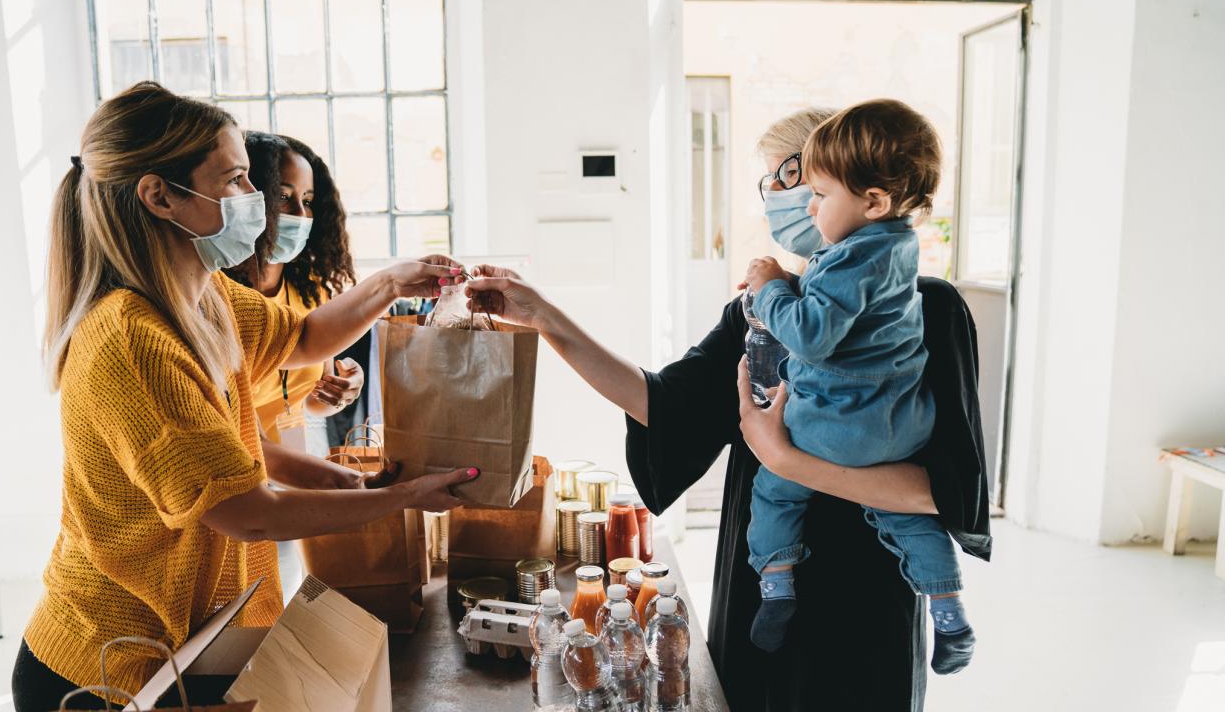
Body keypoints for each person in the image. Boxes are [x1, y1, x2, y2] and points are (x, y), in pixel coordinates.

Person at [465, 106, 990, 711]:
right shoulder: (760, 311)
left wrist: (783, 459)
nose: (778, 199)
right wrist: (541, 317)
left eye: (787, 179)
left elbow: (946, 491)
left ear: (855, 185)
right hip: (763, 590)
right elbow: (661, 404)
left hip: (866, 600)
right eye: (768, 183)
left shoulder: (930, 310)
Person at [12, 82, 478, 712]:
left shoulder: (202, 297)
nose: (254, 199)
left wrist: (393, 282)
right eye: (234, 180)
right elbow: (248, 513)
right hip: (106, 665)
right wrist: (401, 500)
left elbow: (305, 335)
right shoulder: (129, 336)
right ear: (160, 196)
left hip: (190, 639)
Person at [740, 99, 975, 673]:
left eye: (815, 193)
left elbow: (813, 335)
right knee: (910, 520)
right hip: (900, 429)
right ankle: (947, 609)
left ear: (873, 200)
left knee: (774, 487)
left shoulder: (848, 259)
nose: (807, 206)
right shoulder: (900, 249)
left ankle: (775, 584)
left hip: (835, 425)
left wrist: (771, 289)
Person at [223, 132, 367, 494]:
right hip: (238, 478)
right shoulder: (216, 296)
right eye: (284, 198)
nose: (301, 215)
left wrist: (343, 390)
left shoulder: (312, 289)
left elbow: (314, 402)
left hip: (298, 467)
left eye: (308, 200)